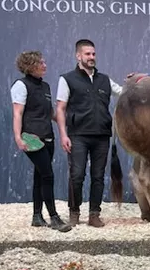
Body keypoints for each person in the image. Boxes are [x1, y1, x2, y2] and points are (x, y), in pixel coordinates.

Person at [56, 39, 122, 227]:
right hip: (78, 135)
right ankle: (74, 213)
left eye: (93, 54)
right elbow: (60, 108)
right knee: (77, 175)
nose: (92, 57)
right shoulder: (67, 79)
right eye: (87, 54)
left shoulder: (105, 80)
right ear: (78, 56)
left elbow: (123, 92)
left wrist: (135, 83)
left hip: (101, 135)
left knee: (98, 176)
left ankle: (94, 214)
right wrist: (63, 134)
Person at [10, 51, 71, 232]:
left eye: (44, 62)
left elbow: (49, 113)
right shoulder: (21, 86)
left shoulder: (45, 86)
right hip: (32, 138)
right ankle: (54, 218)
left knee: (39, 176)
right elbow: (17, 113)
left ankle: (37, 216)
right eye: (41, 62)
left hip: (48, 136)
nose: (45, 65)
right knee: (47, 175)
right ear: (30, 66)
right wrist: (18, 137)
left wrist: (64, 121)